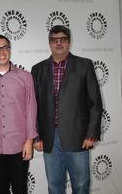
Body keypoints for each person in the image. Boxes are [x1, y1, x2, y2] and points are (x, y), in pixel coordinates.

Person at [31, 25, 103, 194]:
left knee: (81, 185)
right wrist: (37, 136)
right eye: (54, 40)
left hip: (78, 136)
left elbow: (95, 103)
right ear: (49, 43)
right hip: (49, 138)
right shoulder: (38, 69)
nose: (59, 43)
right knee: (55, 185)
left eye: (62, 39)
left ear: (69, 42)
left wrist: (91, 134)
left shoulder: (84, 65)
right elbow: (33, 106)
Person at [0, 34, 38, 194]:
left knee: (20, 189)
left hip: (19, 146)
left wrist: (29, 141)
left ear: (10, 50)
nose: (1, 51)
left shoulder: (25, 77)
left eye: (5, 47)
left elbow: (31, 109)